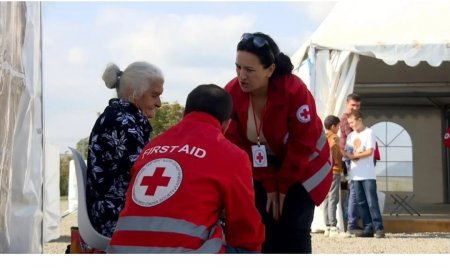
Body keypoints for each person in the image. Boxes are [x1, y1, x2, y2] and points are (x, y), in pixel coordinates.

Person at [107, 84, 265, 253]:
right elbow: (246, 227)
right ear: (226, 124)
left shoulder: (151, 147)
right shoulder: (231, 154)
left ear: (185, 114)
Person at [224, 32, 332, 253]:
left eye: (249, 70)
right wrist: (267, 182)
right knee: (263, 224)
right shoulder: (232, 92)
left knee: (294, 226)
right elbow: (237, 144)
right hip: (262, 165)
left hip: (305, 164)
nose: (241, 76)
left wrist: (282, 186)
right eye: (238, 68)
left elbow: (303, 143)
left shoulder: (294, 90)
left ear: (270, 70)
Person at [86, 61, 164, 238]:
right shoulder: (123, 123)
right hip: (116, 216)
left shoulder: (122, 118)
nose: (159, 103)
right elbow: (144, 172)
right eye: (154, 95)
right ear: (134, 94)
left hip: (117, 210)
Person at [342, 110, 385, 238]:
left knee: (372, 202)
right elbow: (348, 152)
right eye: (349, 123)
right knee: (361, 203)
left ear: (359, 120)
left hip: (368, 174)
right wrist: (346, 154)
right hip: (355, 174)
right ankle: (368, 228)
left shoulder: (369, 132)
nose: (351, 125)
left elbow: (369, 152)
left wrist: (353, 155)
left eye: (352, 122)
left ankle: (379, 228)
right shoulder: (350, 136)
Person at [339, 93, 363, 236]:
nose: (355, 107)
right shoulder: (346, 119)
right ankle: (351, 223)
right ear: (347, 104)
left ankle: (353, 222)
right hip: (351, 156)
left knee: (354, 191)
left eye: (358, 105)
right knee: (354, 191)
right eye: (353, 105)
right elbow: (353, 138)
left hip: (353, 156)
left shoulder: (352, 118)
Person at [322, 115, 348, 238]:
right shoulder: (334, 137)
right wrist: (336, 162)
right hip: (334, 170)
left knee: (327, 198)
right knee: (333, 197)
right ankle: (333, 226)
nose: (339, 128)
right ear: (333, 126)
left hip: (325, 172)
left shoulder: (323, 137)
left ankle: (327, 226)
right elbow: (333, 147)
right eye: (338, 126)